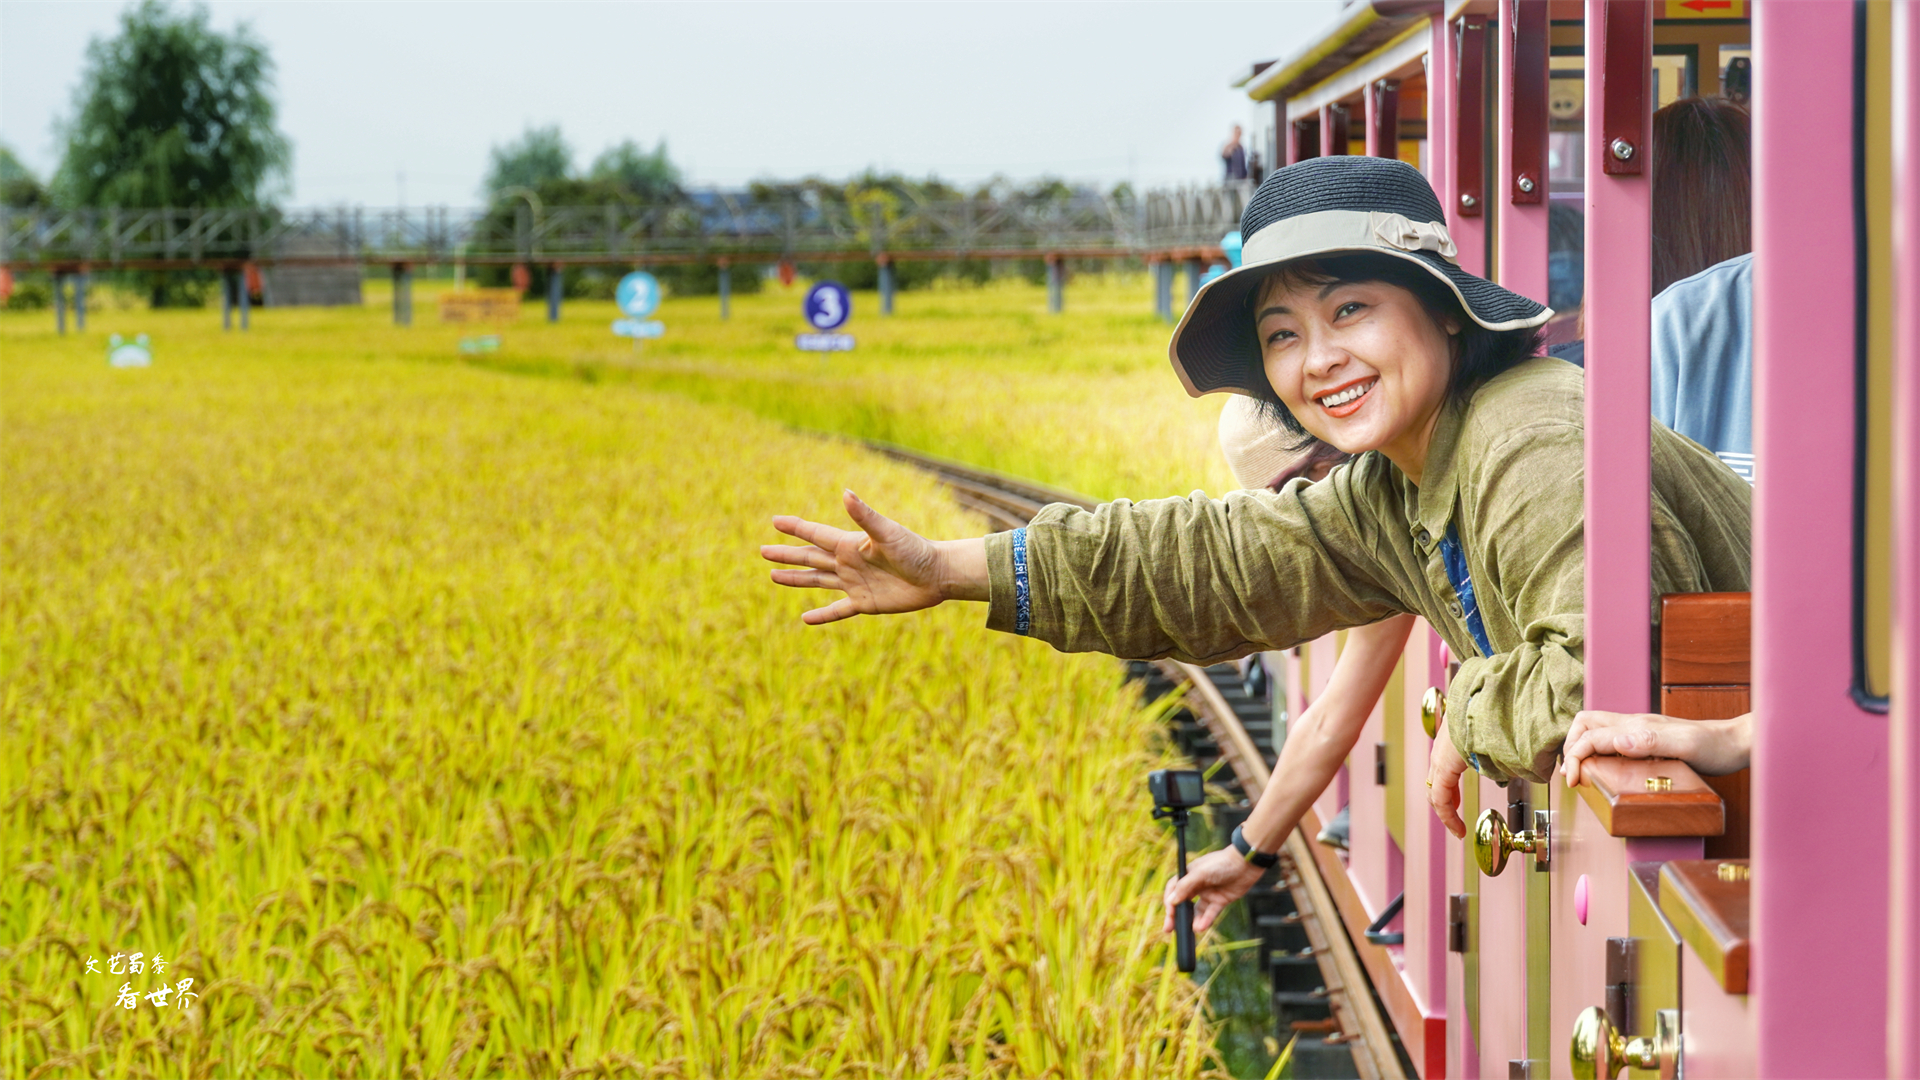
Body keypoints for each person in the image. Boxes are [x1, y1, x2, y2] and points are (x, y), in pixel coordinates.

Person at [761, 156, 1752, 934]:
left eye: (1350, 310)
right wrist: (948, 572)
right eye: (1281, 334)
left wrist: (1467, 707)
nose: (1316, 360)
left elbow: (1607, 687)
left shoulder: (1523, 436)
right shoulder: (1398, 485)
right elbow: (1212, 561)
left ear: (1444, 310)